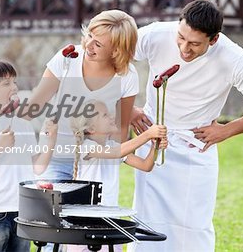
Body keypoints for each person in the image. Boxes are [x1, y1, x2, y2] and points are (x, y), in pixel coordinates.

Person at [129, 0, 243, 251]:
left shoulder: (233, 58)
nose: (184, 48)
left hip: (196, 149)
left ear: (213, 40)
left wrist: (226, 130)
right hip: (153, 142)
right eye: (180, 38)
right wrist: (129, 110)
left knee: (194, 226)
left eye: (194, 44)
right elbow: (111, 56)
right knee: (148, 222)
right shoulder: (156, 34)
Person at [24, 9, 139, 182]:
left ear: (116, 51)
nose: (88, 45)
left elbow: (120, 129)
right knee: (51, 206)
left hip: (94, 162)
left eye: (98, 44)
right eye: (90, 35)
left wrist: (110, 166)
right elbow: (34, 106)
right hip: (55, 157)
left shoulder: (127, 76)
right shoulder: (66, 60)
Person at [0, 61, 58, 252]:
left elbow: (38, 168)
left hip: (23, 213)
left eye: (14, 82)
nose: (14, 87)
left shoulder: (23, 126)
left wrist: (50, 141)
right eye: (6, 84)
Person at [65, 100, 167, 252]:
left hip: (108, 222)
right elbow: (116, 153)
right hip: (85, 226)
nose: (111, 117)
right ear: (92, 128)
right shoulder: (86, 146)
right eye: (105, 115)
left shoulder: (112, 146)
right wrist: (147, 135)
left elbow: (146, 166)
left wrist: (155, 146)